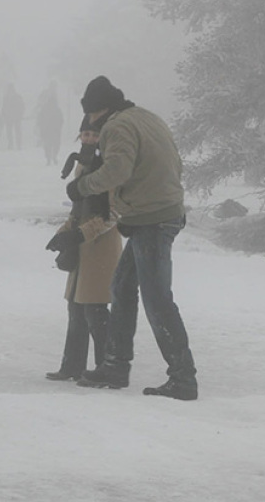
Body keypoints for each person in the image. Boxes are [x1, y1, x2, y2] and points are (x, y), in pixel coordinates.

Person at [69, 76, 198, 401]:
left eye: (93, 117)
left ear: (102, 111)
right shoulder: (147, 117)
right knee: (123, 287)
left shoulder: (117, 126)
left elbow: (117, 171)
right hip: (159, 212)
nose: (93, 126)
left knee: (157, 299)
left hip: (153, 218)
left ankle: (183, 377)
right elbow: (175, 163)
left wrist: (82, 186)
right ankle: (115, 365)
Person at [44, 116, 118, 381]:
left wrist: (79, 234)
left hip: (100, 248)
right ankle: (72, 365)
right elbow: (79, 210)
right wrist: (63, 233)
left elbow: (114, 213)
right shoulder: (83, 166)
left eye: (94, 135)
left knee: (95, 310)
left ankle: (106, 368)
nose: (89, 139)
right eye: (85, 134)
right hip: (82, 246)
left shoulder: (110, 168)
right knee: (75, 307)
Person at [36, 83, 64, 166]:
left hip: (47, 130)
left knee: (47, 145)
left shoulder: (45, 109)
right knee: (55, 144)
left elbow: (40, 119)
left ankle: (49, 158)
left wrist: (41, 127)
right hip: (55, 130)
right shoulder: (57, 110)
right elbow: (61, 120)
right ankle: (54, 156)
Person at [2, 83, 25, 150]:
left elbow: (22, 106)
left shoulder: (17, 97)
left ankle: (18, 144)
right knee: (9, 132)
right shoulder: (6, 98)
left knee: (17, 131)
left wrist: (20, 114)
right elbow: (3, 107)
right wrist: (4, 115)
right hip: (9, 117)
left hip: (16, 117)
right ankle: (11, 144)